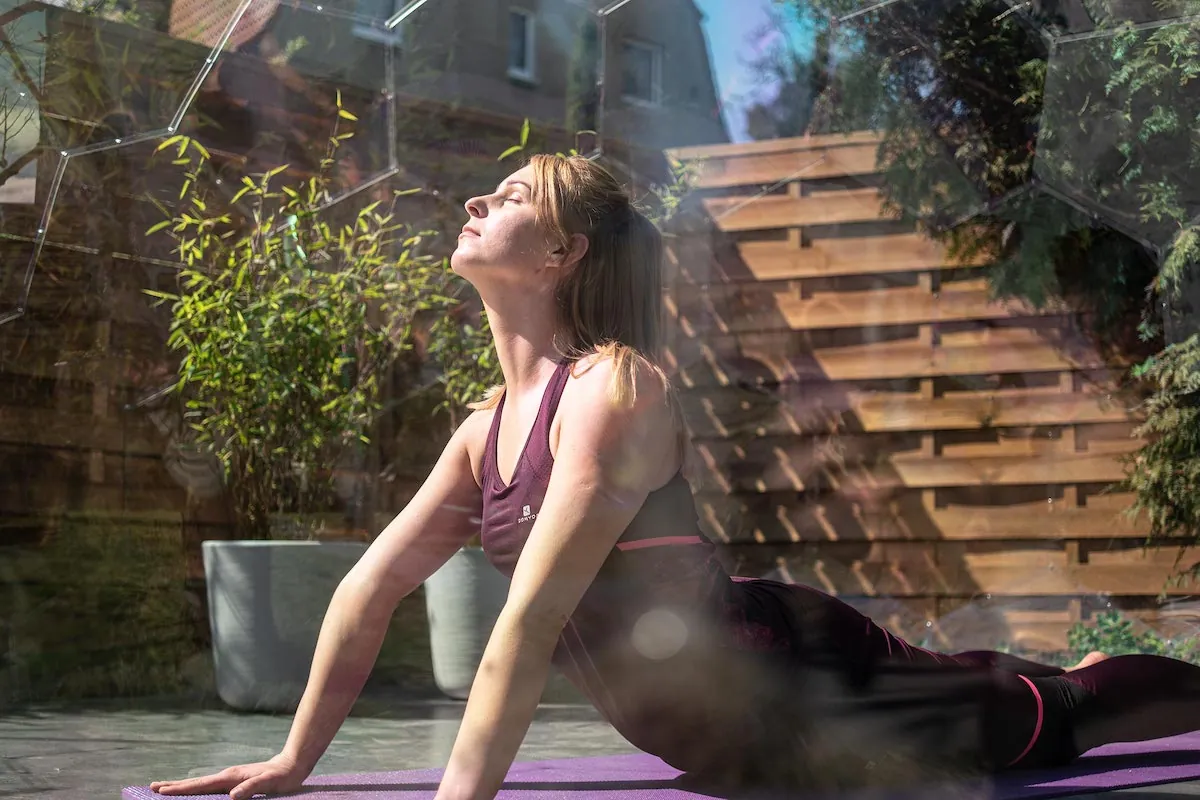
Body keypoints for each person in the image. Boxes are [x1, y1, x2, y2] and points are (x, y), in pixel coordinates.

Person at [150, 155, 1200, 800]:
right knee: (1011, 685)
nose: (474, 197)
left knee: (1054, 713)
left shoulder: (614, 389)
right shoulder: (483, 431)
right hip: (722, 736)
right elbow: (371, 587)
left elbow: (525, 622)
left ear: (560, 251)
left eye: (507, 196)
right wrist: (293, 760)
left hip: (818, 695)